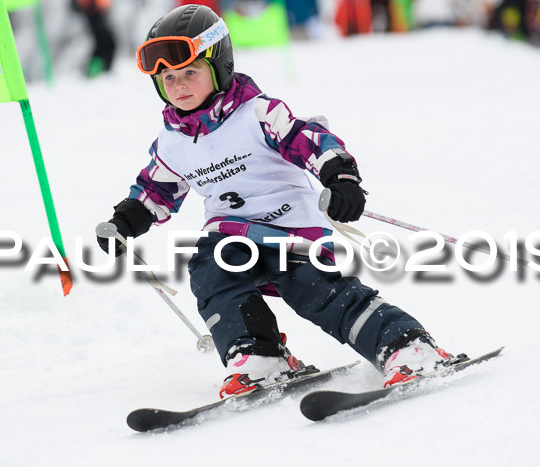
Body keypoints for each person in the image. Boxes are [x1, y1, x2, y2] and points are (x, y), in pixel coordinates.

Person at [97, 4, 454, 398]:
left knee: (314, 292)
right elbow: (155, 190)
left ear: (220, 66)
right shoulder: (172, 142)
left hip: (291, 227)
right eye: (167, 78)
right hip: (228, 233)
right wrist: (126, 221)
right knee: (210, 271)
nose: (179, 86)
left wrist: (341, 179)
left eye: (190, 73)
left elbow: (310, 141)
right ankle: (258, 356)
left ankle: (406, 347)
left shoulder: (258, 114)